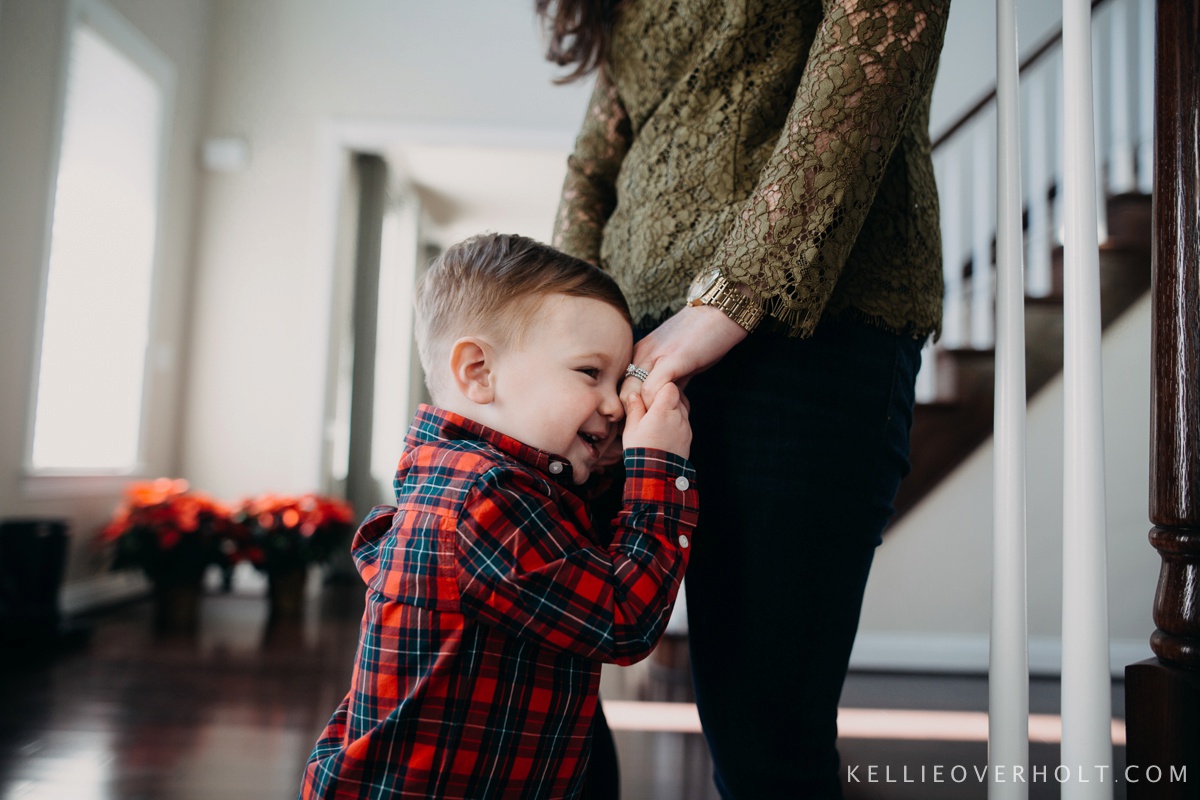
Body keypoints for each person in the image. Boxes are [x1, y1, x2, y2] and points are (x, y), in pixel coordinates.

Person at [537, 0, 951, 796]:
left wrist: (726, 302)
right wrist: (566, 342)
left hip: (808, 327)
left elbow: (869, 61)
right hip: (628, 348)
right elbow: (594, 164)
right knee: (536, 682)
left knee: (765, 738)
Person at [297, 232, 695, 800]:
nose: (614, 405)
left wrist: (608, 461)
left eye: (621, 381)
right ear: (478, 372)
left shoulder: (477, 482)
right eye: (590, 373)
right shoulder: (484, 502)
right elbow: (623, 618)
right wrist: (660, 467)